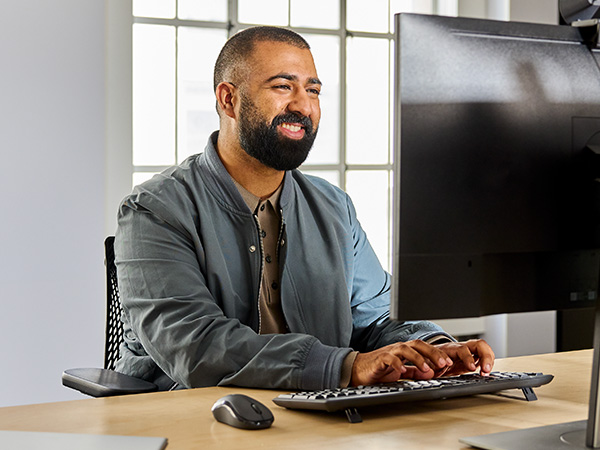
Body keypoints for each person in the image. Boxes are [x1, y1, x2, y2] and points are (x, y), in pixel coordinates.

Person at [114, 26, 494, 392]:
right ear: (228, 99)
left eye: (312, 90)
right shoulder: (153, 211)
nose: (303, 106)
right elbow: (195, 347)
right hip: (190, 417)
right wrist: (344, 367)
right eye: (283, 86)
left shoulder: (333, 206)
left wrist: (433, 348)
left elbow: (377, 316)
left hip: (316, 412)